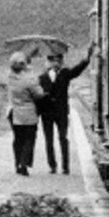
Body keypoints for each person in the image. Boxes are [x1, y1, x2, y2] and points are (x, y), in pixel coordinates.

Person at [39, 44, 93, 174]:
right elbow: (37, 95)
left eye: (58, 60)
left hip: (61, 111)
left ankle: (65, 166)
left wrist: (87, 58)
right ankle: (52, 165)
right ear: (48, 62)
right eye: (53, 60)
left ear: (62, 61)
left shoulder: (65, 74)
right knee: (49, 140)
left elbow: (77, 70)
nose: (56, 63)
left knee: (63, 138)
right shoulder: (42, 77)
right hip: (47, 113)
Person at [5, 51, 44, 176]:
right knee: (29, 140)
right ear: (23, 65)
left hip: (14, 113)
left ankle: (17, 163)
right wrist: (33, 76)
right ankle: (24, 164)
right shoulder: (29, 79)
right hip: (28, 113)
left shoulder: (10, 77)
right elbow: (39, 94)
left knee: (18, 139)